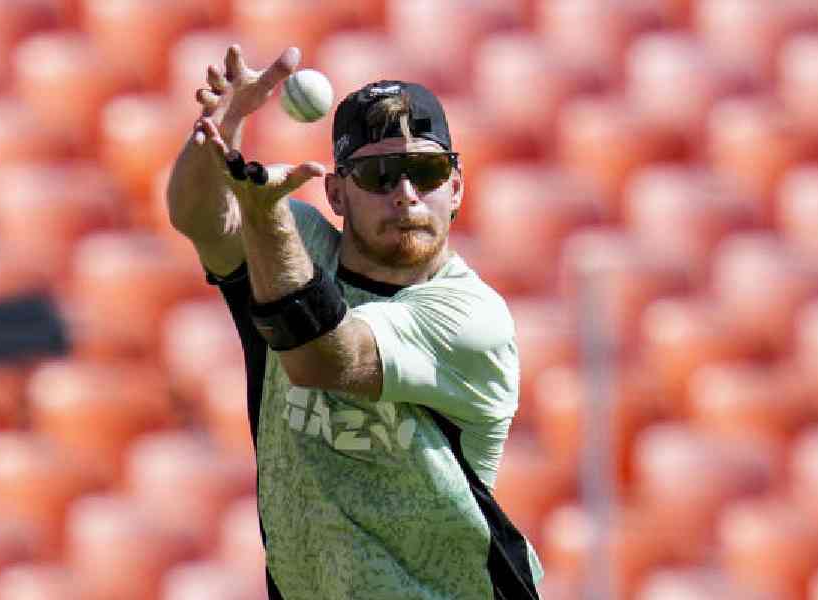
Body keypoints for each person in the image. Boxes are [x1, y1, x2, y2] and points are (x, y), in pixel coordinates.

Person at [166, 44, 544, 600]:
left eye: (428, 170)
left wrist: (264, 217)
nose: (407, 195)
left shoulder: (470, 317)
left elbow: (324, 357)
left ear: (456, 188)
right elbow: (196, 214)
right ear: (337, 192)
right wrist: (220, 130)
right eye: (379, 174)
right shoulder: (299, 239)